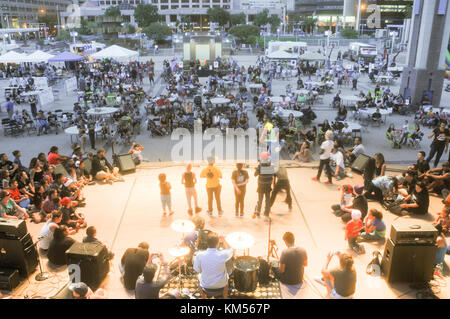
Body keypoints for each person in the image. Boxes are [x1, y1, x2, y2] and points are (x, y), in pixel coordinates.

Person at [193, 233, 233, 299]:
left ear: (207, 243)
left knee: (199, 276)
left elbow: (198, 270)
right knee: (227, 276)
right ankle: (225, 297)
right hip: (221, 285)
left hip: (206, 285)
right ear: (217, 244)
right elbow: (231, 250)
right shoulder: (223, 255)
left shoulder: (200, 255)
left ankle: (204, 297)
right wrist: (223, 239)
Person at [253, 152, 274, 219]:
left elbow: (255, 174)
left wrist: (257, 170)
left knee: (260, 199)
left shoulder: (260, 166)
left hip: (261, 185)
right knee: (267, 200)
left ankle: (258, 212)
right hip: (268, 185)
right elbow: (273, 175)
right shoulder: (271, 166)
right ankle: (266, 213)